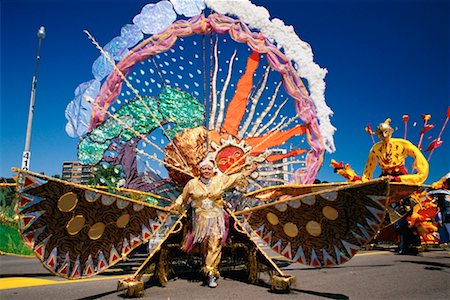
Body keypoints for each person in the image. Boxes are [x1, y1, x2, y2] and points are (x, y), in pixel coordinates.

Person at [170, 158, 256, 288]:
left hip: (217, 218)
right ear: (199, 171)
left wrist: (246, 172)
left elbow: (234, 178)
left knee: (215, 242)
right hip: (200, 220)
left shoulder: (220, 180)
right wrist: (175, 205)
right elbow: (183, 197)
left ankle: (211, 272)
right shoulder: (192, 183)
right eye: (204, 169)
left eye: (209, 168)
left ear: (213, 170)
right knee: (205, 245)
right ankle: (206, 267)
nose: (206, 171)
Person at [362, 119, 429, 184]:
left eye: (385, 132)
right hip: (384, 179)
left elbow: (418, 156)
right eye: (380, 133)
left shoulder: (402, 143)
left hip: (401, 177)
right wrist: (365, 180)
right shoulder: (375, 148)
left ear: (390, 132)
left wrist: (419, 175)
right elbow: (369, 167)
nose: (383, 135)